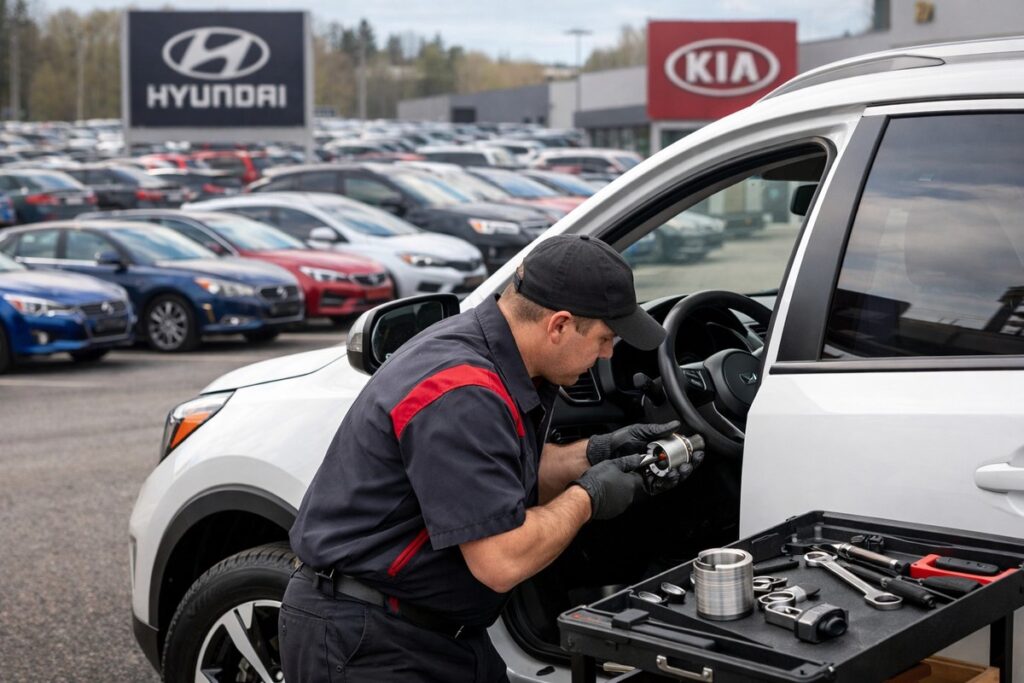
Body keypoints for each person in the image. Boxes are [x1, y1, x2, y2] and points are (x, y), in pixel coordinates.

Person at [281, 234, 704, 682]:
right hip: (367, 639)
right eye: (605, 337)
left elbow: (496, 484)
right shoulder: (463, 392)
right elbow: (502, 560)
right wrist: (590, 497)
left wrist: (596, 452)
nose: (607, 353)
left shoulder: (497, 356)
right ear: (558, 325)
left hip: (440, 632)